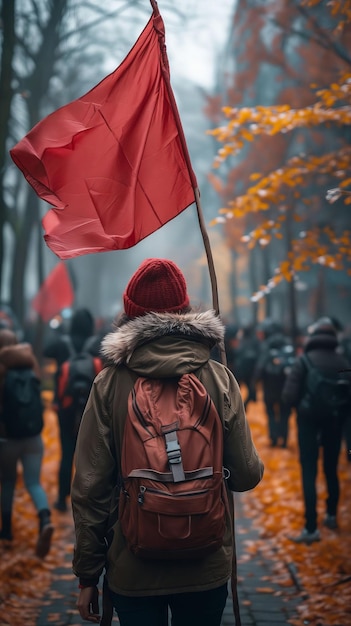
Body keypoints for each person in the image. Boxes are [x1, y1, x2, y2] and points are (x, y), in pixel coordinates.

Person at [71, 258, 264, 626]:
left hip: (132, 567)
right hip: (206, 566)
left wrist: (87, 575)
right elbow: (246, 475)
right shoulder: (218, 377)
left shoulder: (110, 383)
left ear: (129, 314)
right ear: (185, 309)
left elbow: (90, 487)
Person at [282, 317, 351, 544]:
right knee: (331, 469)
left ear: (313, 338)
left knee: (309, 471)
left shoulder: (304, 362)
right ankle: (331, 515)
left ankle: (311, 526)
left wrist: (297, 409)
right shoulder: (342, 361)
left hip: (308, 422)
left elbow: (288, 396)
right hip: (334, 422)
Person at [0, 329, 53, 558]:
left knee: (8, 482)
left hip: (8, 439)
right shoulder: (31, 366)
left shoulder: (2, 371)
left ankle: (7, 531)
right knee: (33, 482)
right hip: (33, 437)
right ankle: (45, 519)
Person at [43, 308, 102, 512]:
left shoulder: (62, 343)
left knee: (66, 451)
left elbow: (45, 350)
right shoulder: (97, 345)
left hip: (65, 405)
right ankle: (86, 500)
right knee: (88, 454)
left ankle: (61, 499)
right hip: (90, 406)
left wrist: (58, 330)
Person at [253, 320, 294, 447]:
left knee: (271, 412)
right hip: (285, 385)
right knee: (284, 413)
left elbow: (260, 366)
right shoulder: (288, 344)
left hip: (270, 386)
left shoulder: (266, 345)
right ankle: (284, 438)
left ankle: (274, 437)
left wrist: (254, 382)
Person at [234, 325, 260, 409]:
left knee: (236, 390)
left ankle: (238, 406)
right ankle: (243, 405)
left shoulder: (241, 341)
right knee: (251, 391)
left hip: (240, 370)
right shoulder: (255, 341)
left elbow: (237, 353)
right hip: (251, 372)